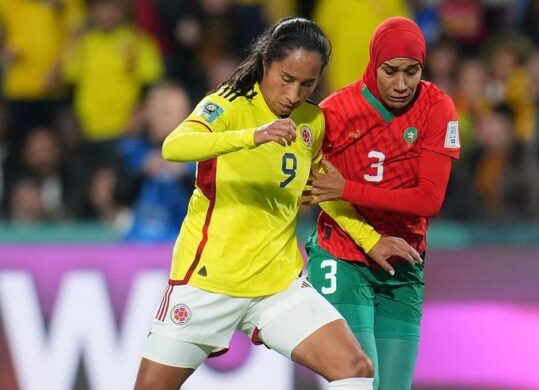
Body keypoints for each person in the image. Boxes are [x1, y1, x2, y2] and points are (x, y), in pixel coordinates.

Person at [134, 17, 420, 390]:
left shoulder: (311, 121)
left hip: (276, 285)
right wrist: (254, 136)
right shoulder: (229, 104)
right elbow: (175, 146)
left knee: (355, 368)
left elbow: (322, 188)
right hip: (208, 282)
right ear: (266, 64)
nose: (293, 94)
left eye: (307, 83)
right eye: (286, 79)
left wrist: (370, 239)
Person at [306, 17, 460, 390]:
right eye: (391, 71)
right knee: (359, 378)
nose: (402, 83)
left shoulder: (437, 108)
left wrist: (347, 189)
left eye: (412, 71)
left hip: (402, 262)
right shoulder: (335, 113)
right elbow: (313, 188)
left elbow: (429, 200)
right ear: (374, 63)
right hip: (341, 256)